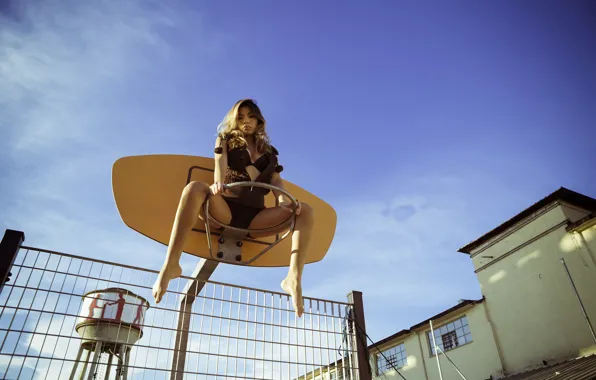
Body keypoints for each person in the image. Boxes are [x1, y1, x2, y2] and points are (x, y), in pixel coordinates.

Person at [151, 99, 314, 317]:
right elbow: (220, 164)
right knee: (194, 188)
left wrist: (284, 202)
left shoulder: (270, 152)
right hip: (225, 211)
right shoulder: (226, 139)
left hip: (256, 219)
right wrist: (218, 184)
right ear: (234, 120)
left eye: (250, 116)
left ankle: (293, 278)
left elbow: (277, 182)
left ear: (258, 120)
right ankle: (171, 264)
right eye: (240, 117)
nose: (246, 121)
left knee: (305, 209)